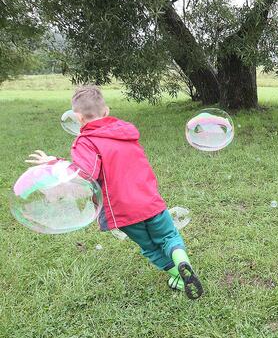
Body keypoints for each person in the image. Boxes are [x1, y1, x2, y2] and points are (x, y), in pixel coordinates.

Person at [26, 85, 203, 299]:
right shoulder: (126, 133)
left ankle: (178, 275)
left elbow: (85, 174)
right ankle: (183, 263)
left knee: (149, 247)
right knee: (168, 236)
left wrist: (55, 163)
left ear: (78, 118)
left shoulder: (86, 141)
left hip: (123, 210)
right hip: (150, 200)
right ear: (107, 111)